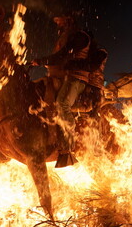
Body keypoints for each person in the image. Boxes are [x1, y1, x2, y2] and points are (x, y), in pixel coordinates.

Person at [31, 15, 93, 167]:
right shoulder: (67, 36)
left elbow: (63, 55)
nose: (58, 25)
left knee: (62, 103)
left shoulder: (79, 36)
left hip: (76, 78)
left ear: (69, 22)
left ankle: (68, 146)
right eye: (58, 23)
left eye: (61, 22)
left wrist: (43, 61)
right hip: (62, 76)